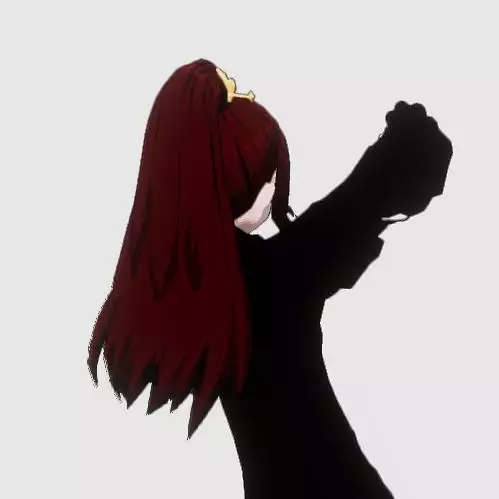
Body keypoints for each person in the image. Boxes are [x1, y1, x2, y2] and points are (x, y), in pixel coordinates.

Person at [87, 59, 453, 499]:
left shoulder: (205, 290)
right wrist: (404, 140)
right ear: (246, 181)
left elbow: (344, 213)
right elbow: (359, 202)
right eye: (271, 175)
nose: (278, 189)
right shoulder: (272, 279)